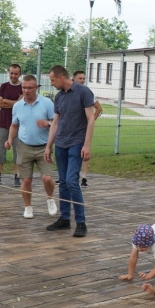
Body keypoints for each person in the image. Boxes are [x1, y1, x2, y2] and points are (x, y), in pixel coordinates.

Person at [44, 65, 96, 237]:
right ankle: (65, 219)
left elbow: (91, 119)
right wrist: (48, 146)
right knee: (64, 183)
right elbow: (56, 123)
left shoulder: (83, 92)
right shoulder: (59, 97)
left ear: (60, 78)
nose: (51, 83)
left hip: (76, 143)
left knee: (72, 181)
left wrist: (86, 145)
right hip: (61, 144)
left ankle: (81, 223)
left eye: (52, 80)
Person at [4, 74, 58, 219]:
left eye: (29, 88)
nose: (26, 90)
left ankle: (50, 198)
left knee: (47, 178)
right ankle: (28, 207)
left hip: (44, 147)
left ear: (36, 88)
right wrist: (9, 139)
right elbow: (14, 125)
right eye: (24, 87)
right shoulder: (17, 105)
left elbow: (56, 124)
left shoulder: (47, 103)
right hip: (24, 146)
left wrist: (46, 123)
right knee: (26, 180)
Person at [0, 64, 23, 187]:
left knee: (18, 150)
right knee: (0, 150)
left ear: (19, 74)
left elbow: (22, 104)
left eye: (16, 73)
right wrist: (16, 103)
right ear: (8, 73)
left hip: (17, 124)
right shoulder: (4, 86)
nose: (13, 76)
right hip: (2, 123)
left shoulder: (22, 87)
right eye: (11, 73)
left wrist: (6, 101)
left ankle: (17, 177)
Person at [72, 70, 103, 187]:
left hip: (82, 128)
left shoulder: (87, 92)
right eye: (80, 78)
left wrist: (90, 120)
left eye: (83, 78)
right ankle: (65, 176)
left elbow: (99, 108)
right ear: (73, 79)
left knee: (84, 150)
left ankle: (84, 177)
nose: (82, 80)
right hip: (71, 127)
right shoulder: (68, 92)